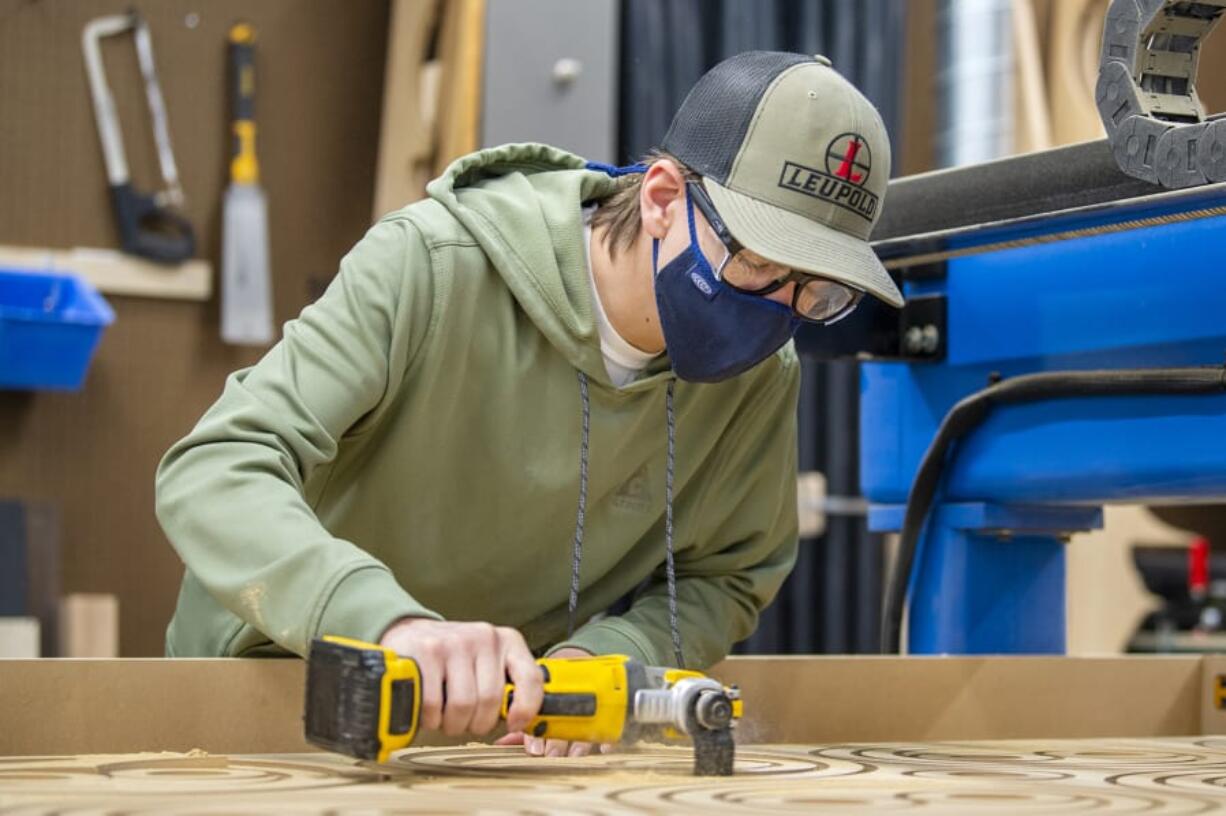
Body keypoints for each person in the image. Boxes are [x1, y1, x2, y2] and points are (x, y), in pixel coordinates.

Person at [155, 51, 903, 758]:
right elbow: (217, 466)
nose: (784, 308)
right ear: (664, 199)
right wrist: (384, 621)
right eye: (761, 263)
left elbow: (734, 572)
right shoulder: (432, 265)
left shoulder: (763, 373)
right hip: (275, 692)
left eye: (818, 288)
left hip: (500, 741)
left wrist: (613, 656)